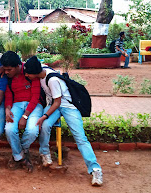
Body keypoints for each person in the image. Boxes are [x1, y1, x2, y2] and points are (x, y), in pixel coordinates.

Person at [23, 56, 103, 186]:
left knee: (80, 137)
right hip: (54, 105)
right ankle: (45, 153)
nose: (26, 75)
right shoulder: (41, 71)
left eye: (28, 73)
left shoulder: (52, 80)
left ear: (35, 72)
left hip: (67, 106)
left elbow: (58, 102)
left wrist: (44, 116)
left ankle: (95, 170)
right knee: (44, 126)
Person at [0, 51, 43, 172]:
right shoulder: (8, 78)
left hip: (34, 105)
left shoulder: (29, 71)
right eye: (5, 69)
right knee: (9, 129)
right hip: (17, 105)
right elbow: (8, 95)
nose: (6, 72)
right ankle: (21, 157)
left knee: (32, 130)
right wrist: (7, 109)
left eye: (9, 69)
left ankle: (19, 152)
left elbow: (35, 96)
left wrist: (25, 116)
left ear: (18, 66)